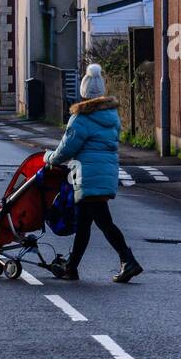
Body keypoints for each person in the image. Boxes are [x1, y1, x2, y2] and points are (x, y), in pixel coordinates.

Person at [43, 62, 143, 284]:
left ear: (84, 91)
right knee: (86, 222)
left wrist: (48, 158)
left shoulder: (82, 119)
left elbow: (65, 150)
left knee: (103, 222)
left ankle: (128, 261)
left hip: (88, 176)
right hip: (105, 173)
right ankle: (72, 267)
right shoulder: (111, 117)